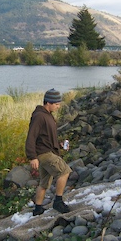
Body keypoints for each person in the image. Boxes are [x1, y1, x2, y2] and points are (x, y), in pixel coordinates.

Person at [25, 88, 72, 216]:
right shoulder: (39, 116)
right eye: (56, 104)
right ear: (48, 103)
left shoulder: (48, 115)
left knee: (44, 183)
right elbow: (31, 137)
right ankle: (58, 201)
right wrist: (32, 156)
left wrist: (60, 145)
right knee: (65, 171)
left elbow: (46, 137)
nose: (58, 106)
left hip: (47, 151)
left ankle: (38, 209)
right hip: (44, 154)